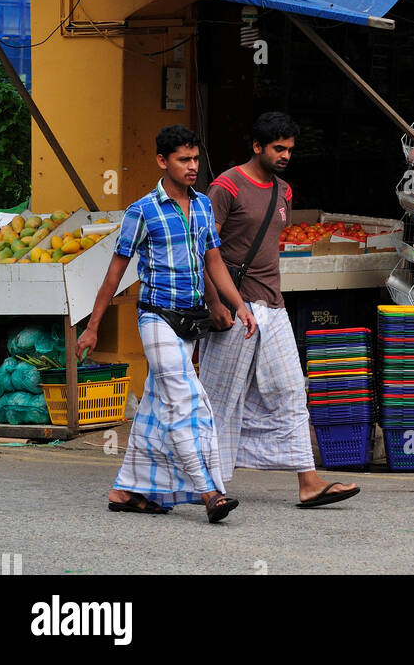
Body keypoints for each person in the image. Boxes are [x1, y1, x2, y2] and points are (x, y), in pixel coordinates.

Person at [77, 124, 256, 522]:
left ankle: (125, 490)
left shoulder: (204, 206)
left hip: (190, 323)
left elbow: (212, 263)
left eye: (196, 159)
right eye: (183, 160)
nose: (193, 167)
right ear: (163, 161)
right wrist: (92, 327)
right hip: (155, 318)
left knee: (157, 408)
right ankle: (209, 492)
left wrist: (236, 304)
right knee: (186, 400)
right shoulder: (142, 211)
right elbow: (113, 275)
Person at [199, 110, 360, 509]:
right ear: (257, 147)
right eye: (278, 148)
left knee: (290, 389)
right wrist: (216, 303)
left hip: (273, 306)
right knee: (221, 396)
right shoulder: (226, 187)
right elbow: (202, 248)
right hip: (235, 307)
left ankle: (308, 482)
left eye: (290, 148)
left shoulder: (284, 191)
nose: (286, 154)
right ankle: (211, 486)